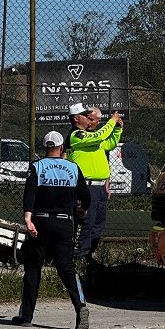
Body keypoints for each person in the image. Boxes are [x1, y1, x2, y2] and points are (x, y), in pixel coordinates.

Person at [14, 130, 91, 329]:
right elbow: (85, 195)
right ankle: (80, 305)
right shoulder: (73, 168)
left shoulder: (37, 167)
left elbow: (29, 193)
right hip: (64, 223)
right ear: (61, 148)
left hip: (40, 222)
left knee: (33, 267)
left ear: (45, 148)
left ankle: (26, 315)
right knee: (66, 267)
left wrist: (28, 219)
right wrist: (83, 208)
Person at [65, 102, 123, 257]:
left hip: (99, 187)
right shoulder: (76, 135)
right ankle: (78, 255)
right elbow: (100, 135)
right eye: (86, 116)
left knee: (98, 223)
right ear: (77, 119)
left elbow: (108, 143)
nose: (89, 120)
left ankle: (89, 252)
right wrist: (112, 121)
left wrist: (117, 129)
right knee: (85, 222)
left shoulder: (92, 138)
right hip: (86, 187)